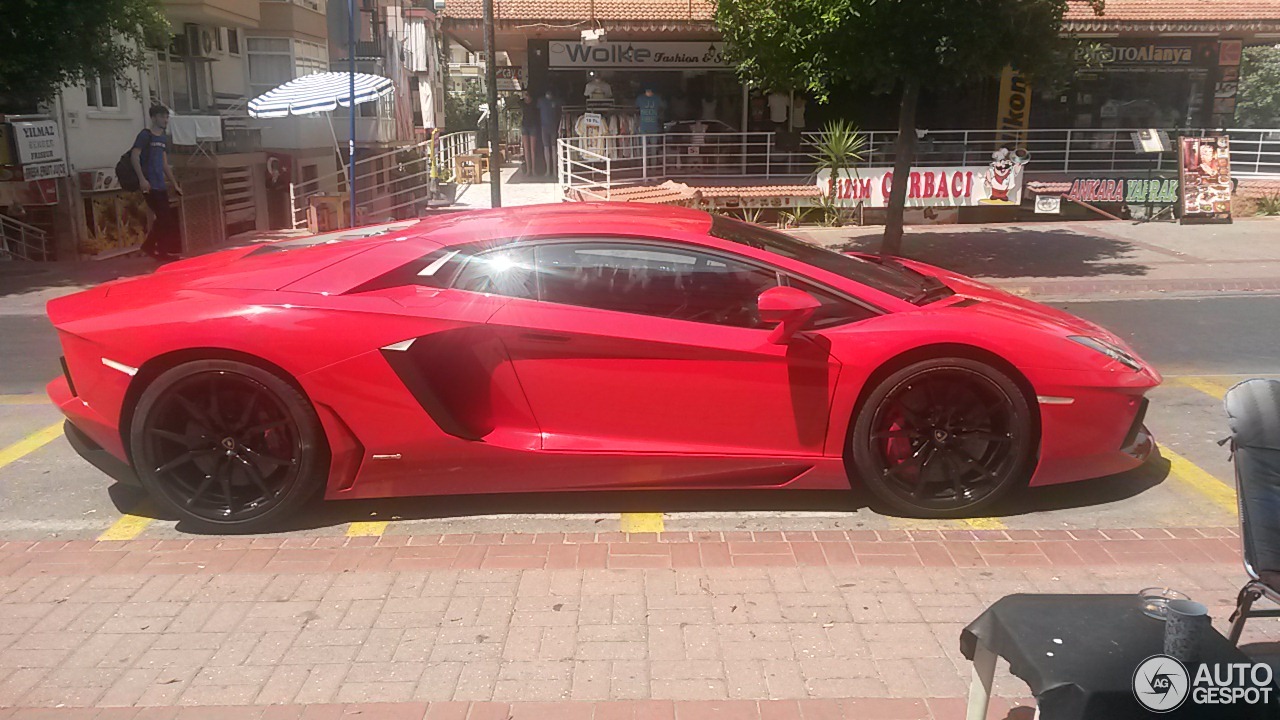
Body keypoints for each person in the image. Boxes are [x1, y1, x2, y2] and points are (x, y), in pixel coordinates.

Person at [131, 105, 183, 260]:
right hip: (149, 184)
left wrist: (174, 184)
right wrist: (142, 179)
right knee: (164, 218)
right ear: (153, 118)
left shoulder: (162, 138)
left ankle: (150, 247)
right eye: (162, 117)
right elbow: (134, 156)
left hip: (160, 184)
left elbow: (164, 164)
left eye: (167, 117)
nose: (165, 120)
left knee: (164, 218)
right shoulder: (145, 136)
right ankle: (161, 252)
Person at [537, 91, 561, 178]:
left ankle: (554, 170)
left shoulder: (555, 101)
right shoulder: (541, 101)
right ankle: (548, 170)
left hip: (552, 126)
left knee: (553, 148)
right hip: (545, 127)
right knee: (547, 148)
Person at [518, 91, 541, 177]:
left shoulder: (534, 103)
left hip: (532, 126)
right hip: (525, 126)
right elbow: (516, 100)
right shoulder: (522, 103)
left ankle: (533, 169)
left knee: (532, 149)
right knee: (526, 149)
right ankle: (528, 170)